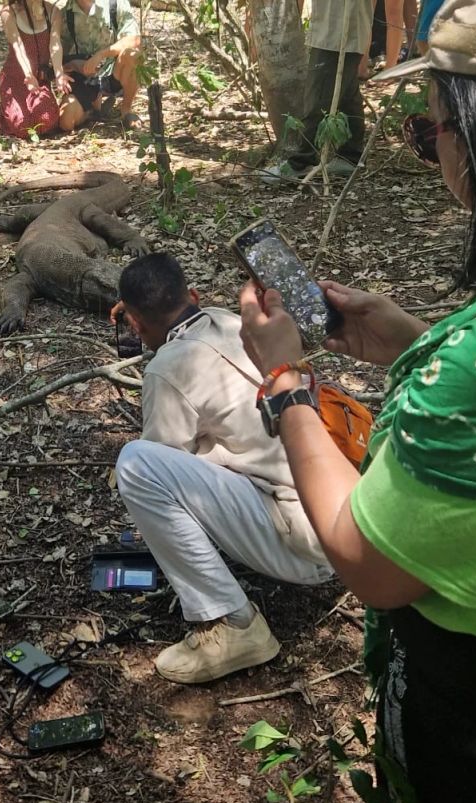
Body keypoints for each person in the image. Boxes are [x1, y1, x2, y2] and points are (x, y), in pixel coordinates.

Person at [239, 1, 476, 803]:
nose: (425, 149)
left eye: (431, 125)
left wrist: (287, 388)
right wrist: (411, 343)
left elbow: (368, 559)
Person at [112, 253, 333, 684]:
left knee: (137, 464)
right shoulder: (232, 321)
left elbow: (163, 461)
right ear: (193, 296)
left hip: (307, 550)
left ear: (135, 325)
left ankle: (234, 625)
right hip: (341, 518)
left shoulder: (167, 367)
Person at [261, 0, 374, 183]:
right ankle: (351, 156)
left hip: (337, 29)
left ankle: (301, 162)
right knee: (346, 93)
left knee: (318, 96)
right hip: (336, 25)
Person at [58, 0, 142, 131]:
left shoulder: (116, 4)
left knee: (132, 55)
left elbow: (134, 40)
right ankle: (93, 111)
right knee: (66, 122)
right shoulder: (65, 13)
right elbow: (59, 55)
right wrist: (73, 65)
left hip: (113, 72)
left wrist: (102, 55)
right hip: (84, 79)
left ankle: (126, 111)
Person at [0, 0, 72, 140]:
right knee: (21, 126)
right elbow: (17, 46)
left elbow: (54, 44)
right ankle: (4, 112)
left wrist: (59, 73)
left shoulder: (53, 12)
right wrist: (28, 75)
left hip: (39, 80)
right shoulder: (9, 13)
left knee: (47, 121)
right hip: (15, 78)